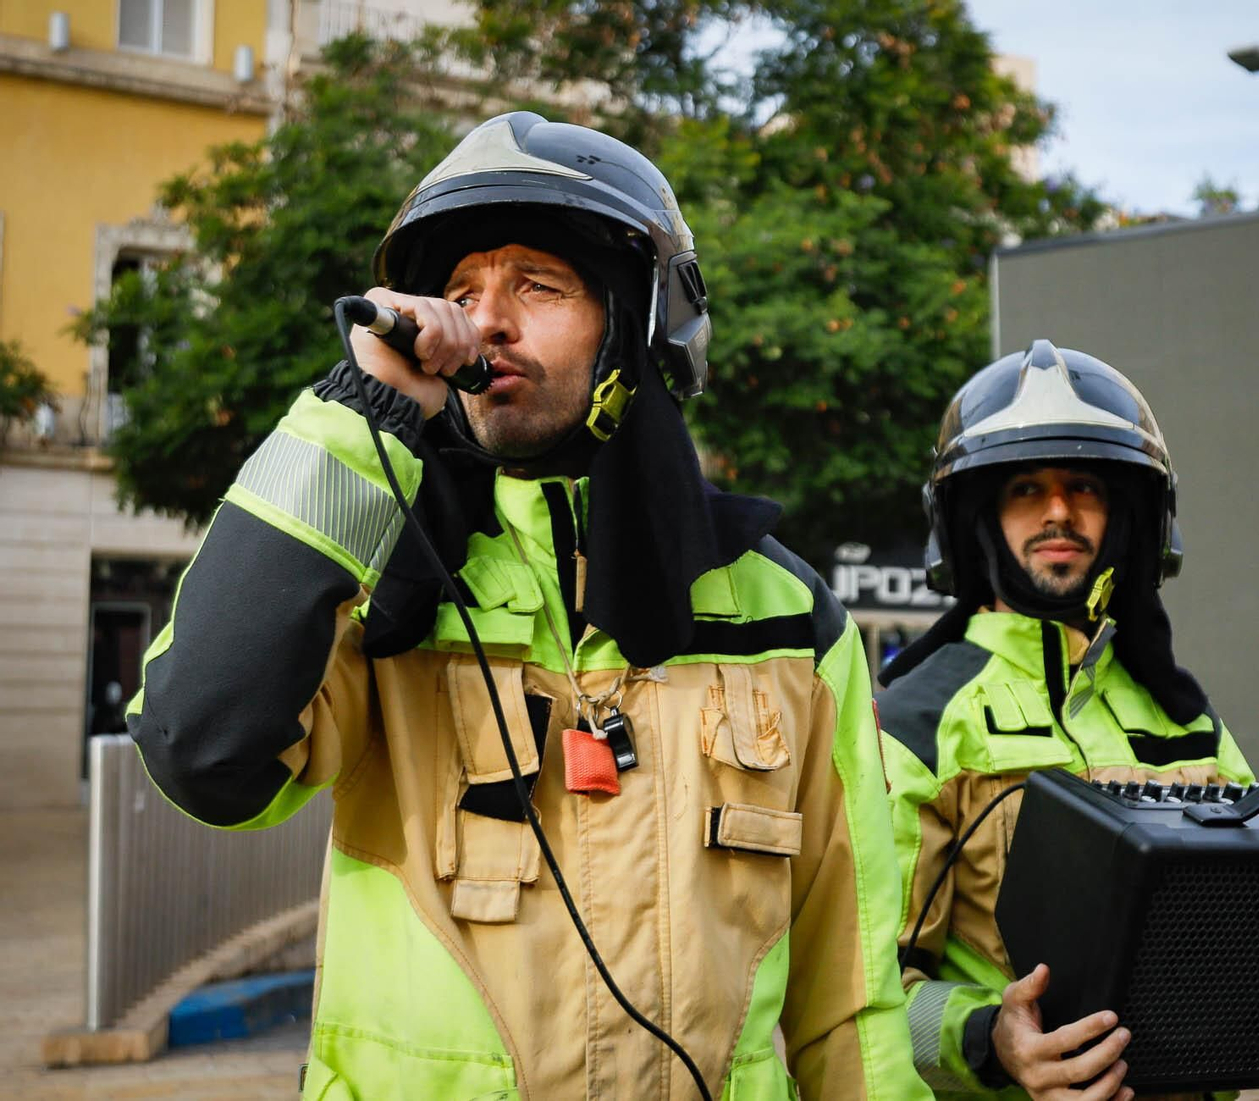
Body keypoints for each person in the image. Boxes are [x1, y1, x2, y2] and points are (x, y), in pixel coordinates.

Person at [125, 112, 927, 1100]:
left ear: (641, 324)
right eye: (461, 292)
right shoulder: (375, 582)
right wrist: (358, 413)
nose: (485, 321)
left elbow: (850, 1000)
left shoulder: (787, 615)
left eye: (535, 286)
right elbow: (201, 751)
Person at [876, 341, 1259, 1100]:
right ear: (977, 518)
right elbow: (864, 988)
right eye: (1026, 488)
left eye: (1084, 485)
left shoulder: (1184, 714)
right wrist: (992, 1039)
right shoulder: (917, 715)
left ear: (1127, 518)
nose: (1058, 511)